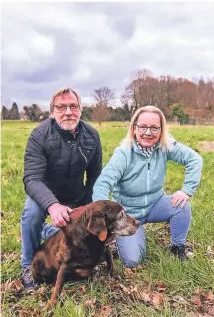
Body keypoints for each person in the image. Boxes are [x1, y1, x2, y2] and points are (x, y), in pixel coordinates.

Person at [92, 105, 203, 268]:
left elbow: (194, 159)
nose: (148, 132)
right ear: (134, 128)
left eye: (154, 128)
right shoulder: (123, 153)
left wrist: (187, 190)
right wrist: (103, 214)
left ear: (161, 130)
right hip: (128, 214)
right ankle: (120, 239)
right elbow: (103, 183)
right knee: (133, 261)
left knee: (182, 205)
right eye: (143, 127)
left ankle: (177, 247)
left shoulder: (165, 146)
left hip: (154, 205)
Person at [21, 87, 102, 291]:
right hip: (45, 194)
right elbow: (32, 178)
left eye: (73, 106)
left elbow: (95, 176)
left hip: (77, 194)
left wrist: (88, 204)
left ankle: (53, 234)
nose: (68, 112)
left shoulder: (92, 136)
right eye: (61, 107)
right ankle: (27, 265)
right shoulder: (39, 135)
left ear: (80, 110)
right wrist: (52, 205)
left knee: (88, 226)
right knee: (31, 215)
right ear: (52, 111)